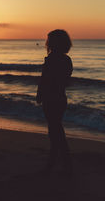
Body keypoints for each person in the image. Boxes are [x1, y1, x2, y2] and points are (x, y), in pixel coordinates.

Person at [36, 29, 73, 175]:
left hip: (51, 99)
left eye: (50, 40)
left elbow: (45, 79)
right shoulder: (66, 59)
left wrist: (40, 94)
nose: (47, 42)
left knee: (55, 132)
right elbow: (65, 80)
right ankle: (57, 163)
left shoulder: (52, 59)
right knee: (56, 131)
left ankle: (62, 164)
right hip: (60, 98)